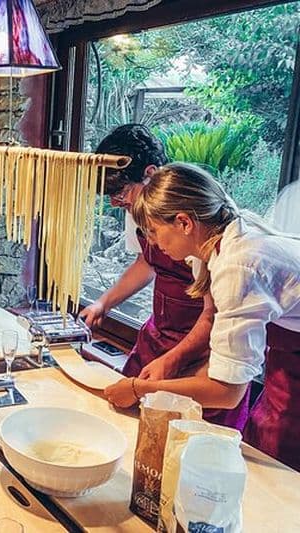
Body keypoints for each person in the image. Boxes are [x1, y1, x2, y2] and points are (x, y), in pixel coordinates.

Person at [104, 163, 300, 470]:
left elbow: (227, 392)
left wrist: (138, 390)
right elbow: (211, 314)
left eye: (154, 231)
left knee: (279, 453)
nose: (153, 243)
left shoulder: (239, 266)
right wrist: (172, 360)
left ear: (183, 222)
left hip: (293, 350)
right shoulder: (208, 246)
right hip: (289, 344)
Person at [78, 124, 247, 429]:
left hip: (204, 343)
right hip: (161, 333)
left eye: (121, 192)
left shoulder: (210, 236)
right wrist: (104, 303)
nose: (117, 203)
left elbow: (213, 317)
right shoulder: (147, 215)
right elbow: (148, 262)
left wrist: (174, 360)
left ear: (151, 173)